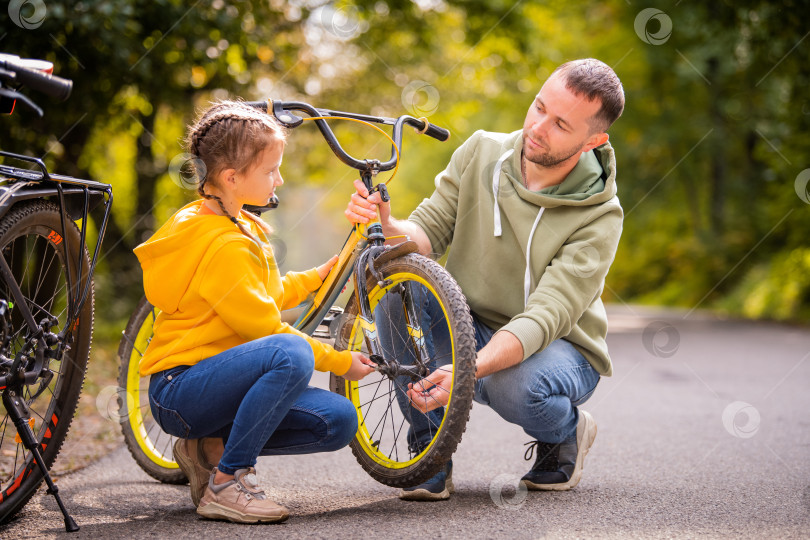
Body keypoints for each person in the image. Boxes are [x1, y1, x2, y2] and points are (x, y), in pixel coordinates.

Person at [346, 58, 625, 500]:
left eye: (559, 124)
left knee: (512, 382)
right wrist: (388, 221)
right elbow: (426, 232)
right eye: (538, 107)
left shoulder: (600, 216)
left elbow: (545, 316)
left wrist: (467, 370)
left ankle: (565, 434)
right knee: (394, 293)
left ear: (593, 141)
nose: (537, 127)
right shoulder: (481, 152)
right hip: (467, 323)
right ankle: (429, 453)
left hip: (560, 347)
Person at [135, 100, 375, 523]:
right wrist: (340, 361)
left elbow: (264, 295)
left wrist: (322, 274)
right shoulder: (221, 243)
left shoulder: (237, 222)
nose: (279, 178)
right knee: (291, 353)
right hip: (181, 389)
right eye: (270, 170)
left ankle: (209, 447)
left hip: (218, 386)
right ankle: (227, 483)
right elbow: (266, 325)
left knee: (338, 419)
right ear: (231, 177)